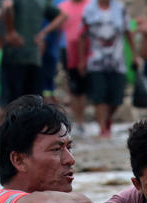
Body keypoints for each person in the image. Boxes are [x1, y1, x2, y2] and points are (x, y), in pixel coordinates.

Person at [79, 0, 134, 137]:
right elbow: (82, 34)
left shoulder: (120, 9)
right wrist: (81, 59)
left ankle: (107, 119)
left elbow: (128, 32)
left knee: (116, 98)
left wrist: (134, 55)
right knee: (100, 96)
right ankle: (103, 128)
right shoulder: (89, 9)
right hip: (96, 61)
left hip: (117, 62)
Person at [0, 0, 65, 112]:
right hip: (33, 58)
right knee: (33, 106)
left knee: (10, 106)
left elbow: (7, 7)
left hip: (14, 56)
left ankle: (9, 129)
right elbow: (63, 16)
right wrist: (43, 33)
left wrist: (11, 31)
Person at [58, 0, 89, 130]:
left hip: (90, 52)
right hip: (68, 51)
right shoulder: (62, 7)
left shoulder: (90, 5)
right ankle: (79, 121)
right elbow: (57, 29)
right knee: (75, 89)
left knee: (86, 88)